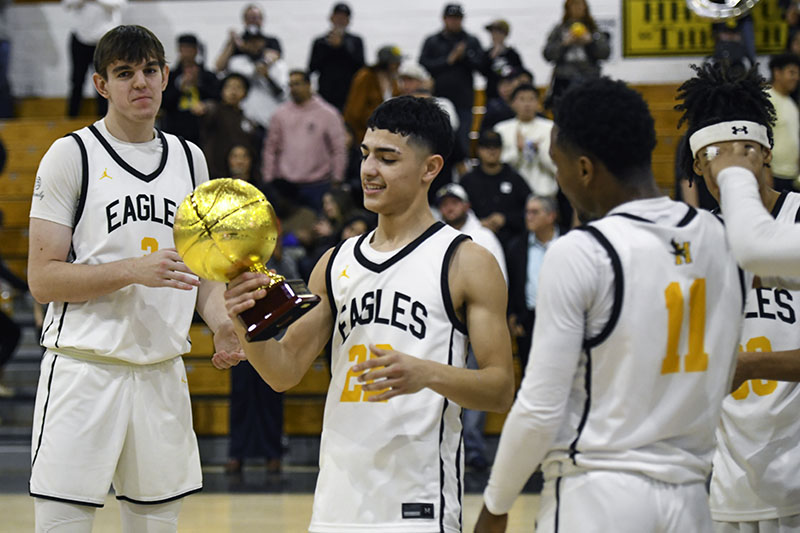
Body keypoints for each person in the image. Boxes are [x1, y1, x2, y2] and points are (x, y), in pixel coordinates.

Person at [217, 95, 514, 532]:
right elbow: (283, 372)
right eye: (365, 155)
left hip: (418, 501)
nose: (369, 170)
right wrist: (246, 322)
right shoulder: (335, 262)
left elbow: (500, 388)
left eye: (388, 158)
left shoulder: (466, 261)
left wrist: (425, 374)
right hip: (338, 500)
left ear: (430, 168)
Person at [475, 77, 746, 533]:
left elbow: (540, 408)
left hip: (597, 494)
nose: (558, 179)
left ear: (584, 169)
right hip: (693, 500)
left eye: (557, 166)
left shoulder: (582, 251)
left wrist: (495, 504)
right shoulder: (719, 236)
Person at [26, 25, 241, 532]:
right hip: (84, 368)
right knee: (63, 523)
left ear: (166, 76)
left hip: (161, 370)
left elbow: (201, 273)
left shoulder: (192, 159)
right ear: (102, 84)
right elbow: (42, 279)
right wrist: (132, 271)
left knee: (158, 524)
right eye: (125, 74)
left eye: (149, 71)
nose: (139, 83)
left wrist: (220, 320)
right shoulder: (71, 155)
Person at [673, 60, 800, 533]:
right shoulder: (694, 243)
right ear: (697, 164)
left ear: (763, 154)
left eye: (739, 154)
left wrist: (750, 366)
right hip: (726, 483)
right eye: (711, 158)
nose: (723, 169)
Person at [436, 182, 507, 472]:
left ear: (466, 205)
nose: (449, 207)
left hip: (477, 322)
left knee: (478, 384)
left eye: (455, 202)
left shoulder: (484, 237)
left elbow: (499, 280)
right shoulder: (433, 236)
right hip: (442, 322)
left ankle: (474, 448)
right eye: (445, 202)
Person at [262, 70, 346, 212]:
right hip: (286, 185)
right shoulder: (280, 114)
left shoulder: (328, 114)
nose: (293, 88)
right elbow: (270, 148)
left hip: (319, 184)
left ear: (309, 85)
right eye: (290, 85)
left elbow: (338, 148)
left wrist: (337, 178)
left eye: (297, 84)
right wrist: (269, 178)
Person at [420, 3, 484, 155]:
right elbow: (423, 64)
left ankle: (461, 171)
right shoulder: (432, 41)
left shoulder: (471, 41)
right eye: (451, 18)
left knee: (462, 138)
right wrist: (448, 60)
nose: (454, 22)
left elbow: (482, 66)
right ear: (444, 19)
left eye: (457, 18)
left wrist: (465, 57)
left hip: (464, 99)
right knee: (437, 137)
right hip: (438, 97)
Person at [505, 195, 559, 375]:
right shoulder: (516, 247)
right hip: (528, 319)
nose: (529, 216)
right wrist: (512, 314)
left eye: (535, 212)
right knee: (530, 370)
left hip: (562, 315)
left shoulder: (569, 241)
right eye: (527, 212)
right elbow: (511, 284)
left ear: (551, 216)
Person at [460, 129, 531, 247]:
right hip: (475, 240)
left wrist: (506, 219)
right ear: (478, 150)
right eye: (486, 147)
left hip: (511, 241)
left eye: (496, 147)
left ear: (502, 149)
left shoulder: (515, 178)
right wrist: (477, 223)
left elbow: (528, 211)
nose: (491, 151)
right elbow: (458, 212)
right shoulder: (468, 181)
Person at [62, 0, 126, 117]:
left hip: (106, 39)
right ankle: (72, 117)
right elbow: (67, 4)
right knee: (77, 80)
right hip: (81, 37)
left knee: (105, 81)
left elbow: (118, 3)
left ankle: (104, 118)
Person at [542, 0, 609, 109]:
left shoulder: (594, 30)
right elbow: (548, 55)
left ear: (585, 8)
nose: (577, 8)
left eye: (580, 5)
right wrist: (564, 44)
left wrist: (590, 42)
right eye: (573, 5)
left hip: (590, 79)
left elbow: (605, 53)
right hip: (564, 79)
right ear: (567, 9)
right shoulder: (559, 30)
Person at [494, 84, 558, 198]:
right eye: (522, 99)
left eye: (531, 99)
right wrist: (518, 150)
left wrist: (540, 150)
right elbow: (497, 166)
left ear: (538, 103)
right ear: (512, 103)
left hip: (545, 193)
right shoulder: (501, 129)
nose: (527, 104)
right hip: (512, 195)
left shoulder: (550, 128)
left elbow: (557, 166)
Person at [160, 33, 220, 145]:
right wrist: (180, 88)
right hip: (175, 126)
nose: (186, 52)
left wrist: (199, 84)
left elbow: (217, 97)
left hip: (202, 128)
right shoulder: (170, 76)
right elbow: (163, 102)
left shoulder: (208, 76)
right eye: (183, 48)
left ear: (196, 50)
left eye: (190, 48)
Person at [308, 2, 365, 111]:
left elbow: (360, 66)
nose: (340, 20)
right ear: (331, 18)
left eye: (344, 17)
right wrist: (329, 47)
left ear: (348, 20)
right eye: (338, 16)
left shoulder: (356, 41)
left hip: (350, 94)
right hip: (326, 93)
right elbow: (312, 67)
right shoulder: (320, 42)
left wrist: (341, 47)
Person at [343, 45, 402, 145]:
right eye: (395, 62)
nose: (399, 65)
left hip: (387, 135)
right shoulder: (365, 77)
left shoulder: (394, 80)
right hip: (364, 135)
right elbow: (354, 112)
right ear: (385, 63)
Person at [766, 53, 800, 192]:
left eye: (798, 74)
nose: (796, 78)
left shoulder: (791, 103)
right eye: (791, 73)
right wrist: (765, 171)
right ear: (777, 73)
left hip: (792, 176)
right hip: (774, 176)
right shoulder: (767, 99)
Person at [481, 19, 525, 102]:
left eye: (498, 33)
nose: (495, 36)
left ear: (505, 35)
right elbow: (483, 72)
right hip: (492, 96)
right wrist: (491, 57)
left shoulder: (512, 53)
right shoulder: (487, 53)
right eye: (492, 33)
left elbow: (520, 71)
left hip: (511, 96)